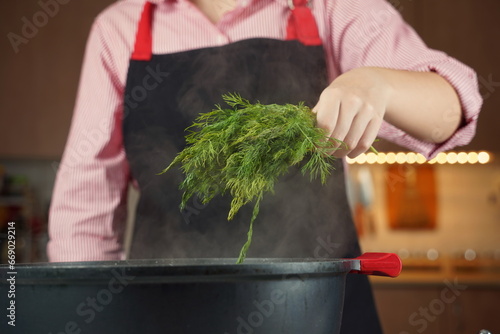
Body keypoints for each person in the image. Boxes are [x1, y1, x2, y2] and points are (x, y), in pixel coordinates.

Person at [47, 0, 482, 333]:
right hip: (165, 311)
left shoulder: (330, 6)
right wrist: (84, 317)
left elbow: (452, 106)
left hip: (320, 310)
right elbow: (83, 214)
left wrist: (380, 84)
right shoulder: (119, 27)